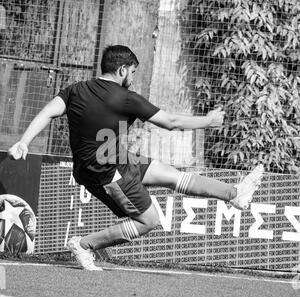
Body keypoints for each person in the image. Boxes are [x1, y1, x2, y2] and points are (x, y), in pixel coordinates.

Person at [8, 45, 264, 271]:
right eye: (132, 72)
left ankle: (235, 193)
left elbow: (46, 112)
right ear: (121, 70)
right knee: (149, 220)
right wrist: (208, 121)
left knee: (170, 175)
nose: (133, 77)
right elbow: (171, 122)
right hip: (106, 172)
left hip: (116, 158)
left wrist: (24, 141)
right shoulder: (125, 98)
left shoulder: (76, 90)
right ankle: (84, 245)